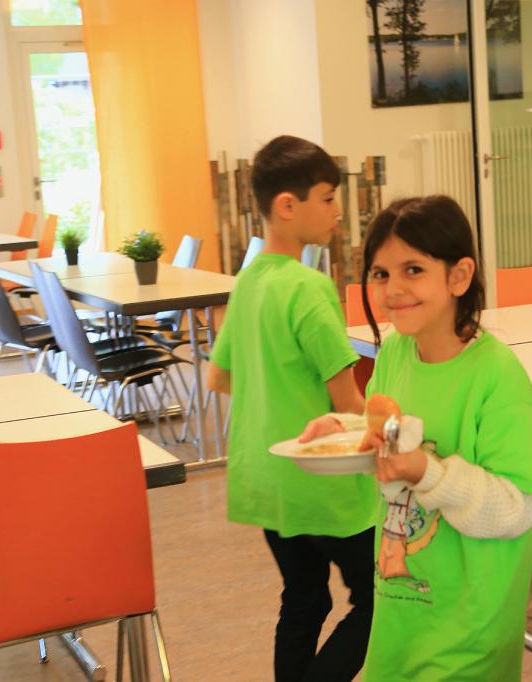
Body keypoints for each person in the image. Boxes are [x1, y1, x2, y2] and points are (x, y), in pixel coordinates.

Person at [299, 195, 532, 680]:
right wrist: (346, 431)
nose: (393, 289)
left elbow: (519, 509)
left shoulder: (496, 374)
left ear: (459, 276)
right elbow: (389, 437)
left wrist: (429, 474)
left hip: (469, 631)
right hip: (399, 617)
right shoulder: (394, 351)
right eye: (380, 273)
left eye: (413, 270)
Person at [207, 135, 377, 682]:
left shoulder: (248, 280)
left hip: (266, 478)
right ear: (287, 205)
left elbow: (219, 377)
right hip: (322, 482)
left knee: (304, 597)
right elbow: (347, 403)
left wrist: (274, 391)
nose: (337, 211)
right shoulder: (308, 287)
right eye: (327, 198)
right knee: (379, 601)